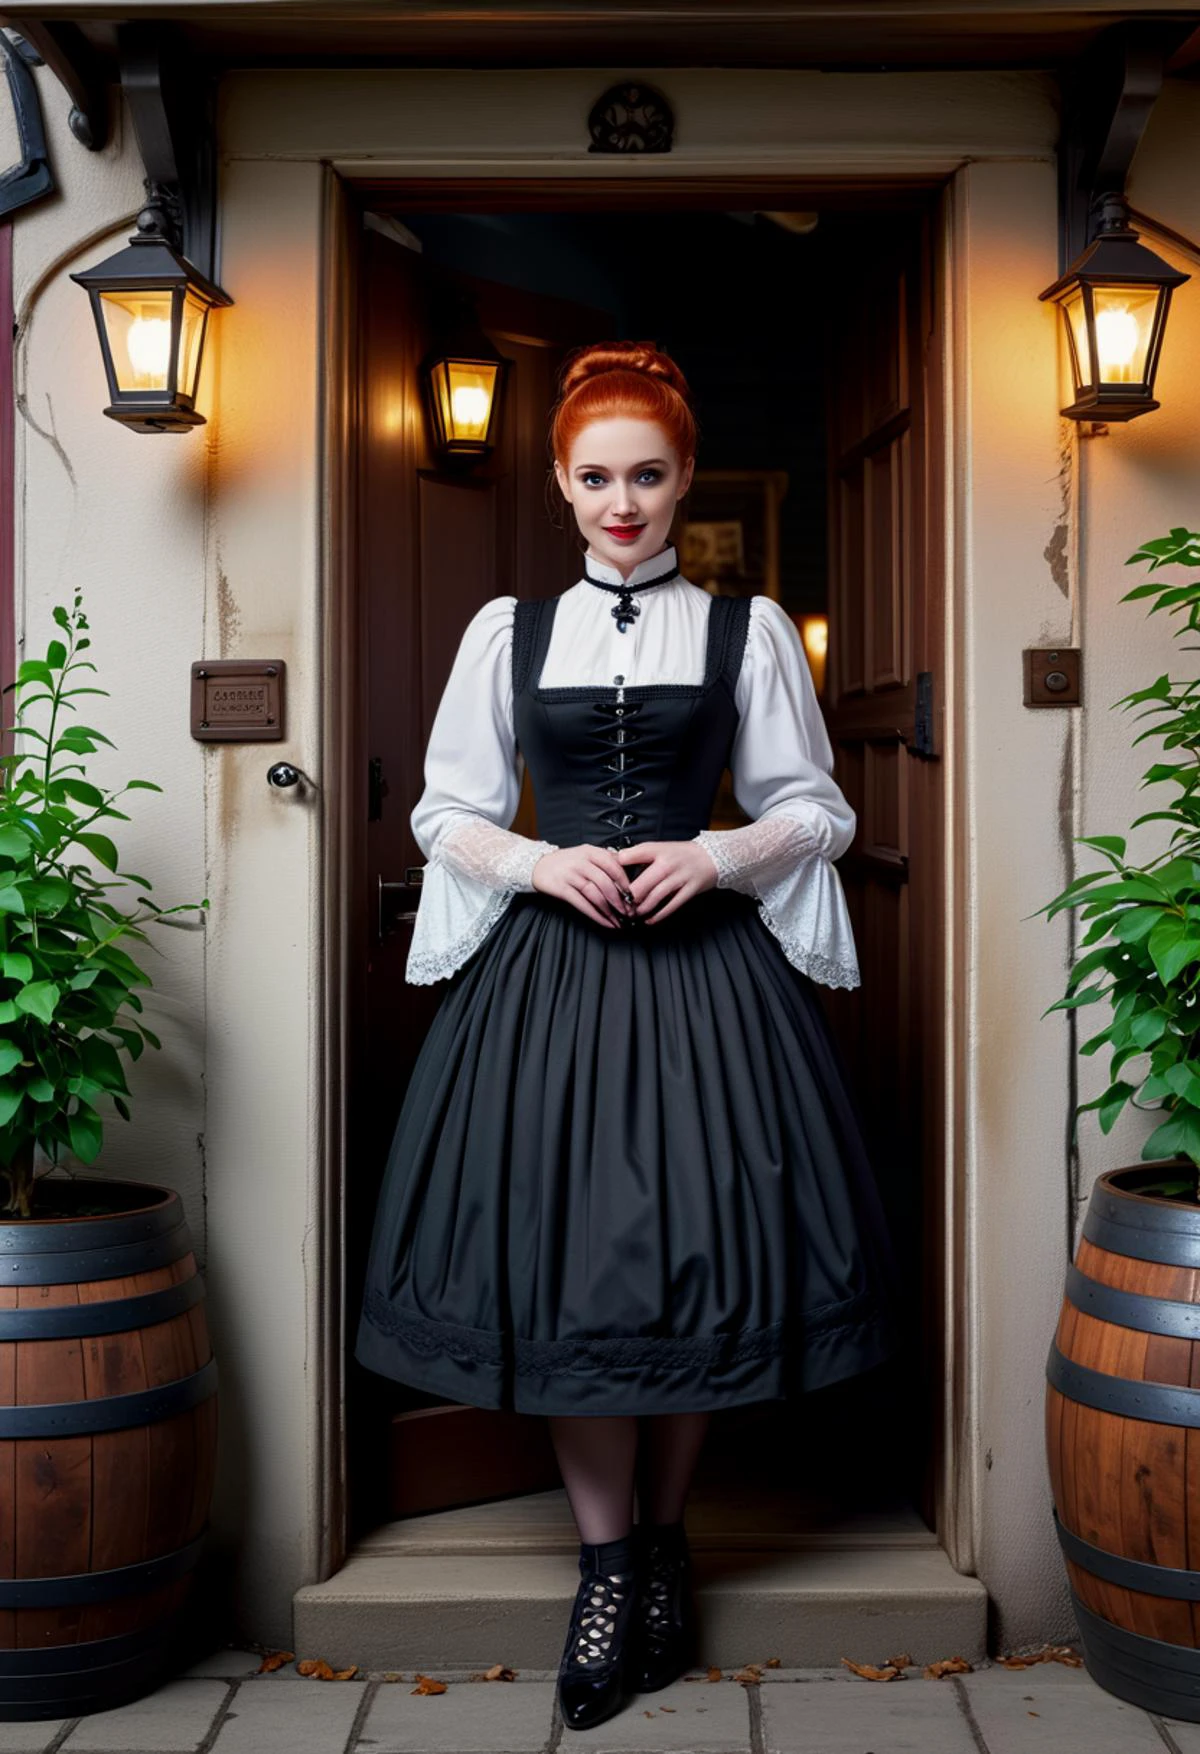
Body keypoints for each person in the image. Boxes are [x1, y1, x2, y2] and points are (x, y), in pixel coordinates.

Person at [354, 340, 902, 1732]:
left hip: (709, 984)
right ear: (558, 481)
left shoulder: (747, 630)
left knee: (700, 1270)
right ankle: (608, 1565)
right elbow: (446, 813)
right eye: (596, 476)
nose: (621, 501)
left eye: (646, 476)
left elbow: (816, 809)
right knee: (576, 1276)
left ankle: (667, 1542)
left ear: (681, 479)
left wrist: (715, 857)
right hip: (551, 983)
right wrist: (541, 866)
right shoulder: (505, 632)